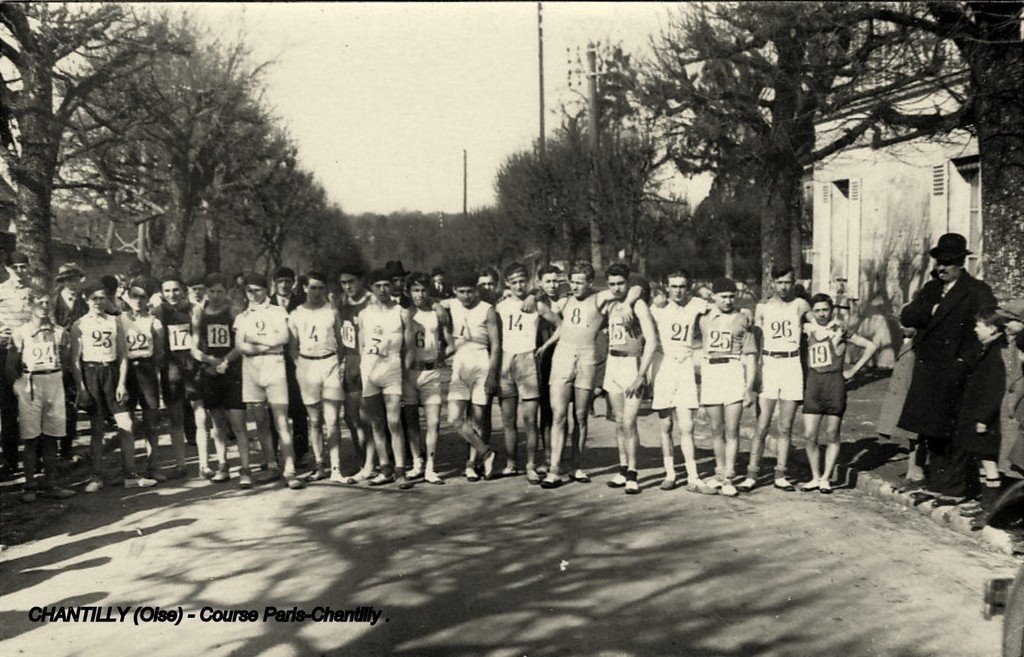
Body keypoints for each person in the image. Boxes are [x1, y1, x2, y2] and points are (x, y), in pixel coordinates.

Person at [899, 233, 996, 503]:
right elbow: (908, 316)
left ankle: (955, 489)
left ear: (961, 262)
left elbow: (989, 330)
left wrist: (964, 362)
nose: (942, 268)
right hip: (929, 371)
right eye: (939, 262)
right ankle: (938, 485)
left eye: (948, 263)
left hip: (957, 373)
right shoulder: (931, 289)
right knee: (931, 430)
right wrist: (931, 310)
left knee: (954, 433)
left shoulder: (977, 290)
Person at [537, 262, 639, 488]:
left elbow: (638, 288)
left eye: (580, 282)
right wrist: (548, 345)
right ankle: (554, 469)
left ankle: (576, 466)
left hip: (587, 359)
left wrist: (630, 304)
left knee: (581, 416)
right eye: (572, 281)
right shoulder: (564, 299)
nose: (574, 286)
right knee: (559, 414)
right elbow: (546, 305)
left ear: (590, 283)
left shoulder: (600, 298)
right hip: (563, 357)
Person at [69, 280, 158, 492]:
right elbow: (74, 361)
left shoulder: (114, 321)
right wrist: (81, 387)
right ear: (87, 300)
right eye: (94, 298)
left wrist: (121, 383)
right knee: (98, 428)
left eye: (102, 298)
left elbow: (123, 356)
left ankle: (130, 474)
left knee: (126, 423)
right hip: (92, 374)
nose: (99, 302)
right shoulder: (79, 325)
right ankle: (97, 476)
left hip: (112, 373)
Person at [741, 265, 811, 493]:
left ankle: (781, 474)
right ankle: (752, 473)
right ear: (772, 282)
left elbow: (816, 322)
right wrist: (746, 315)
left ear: (794, 282)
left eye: (788, 282)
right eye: (780, 282)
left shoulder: (800, 305)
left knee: (785, 427)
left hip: (792, 365)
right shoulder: (762, 307)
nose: (784, 287)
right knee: (762, 425)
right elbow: (754, 332)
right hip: (770, 364)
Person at [648, 269, 717, 494]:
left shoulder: (696, 303)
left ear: (688, 286)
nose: (678, 291)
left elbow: (720, 307)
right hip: (664, 364)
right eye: (673, 286)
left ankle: (693, 477)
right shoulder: (657, 308)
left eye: (682, 286)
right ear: (666, 286)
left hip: (685, 365)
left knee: (687, 425)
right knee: (666, 425)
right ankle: (670, 473)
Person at [800, 293, 877, 493]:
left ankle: (826, 477)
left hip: (834, 385)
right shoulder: (809, 327)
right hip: (813, 384)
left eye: (825, 309)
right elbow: (802, 313)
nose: (821, 314)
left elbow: (870, 346)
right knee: (809, 435)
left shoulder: (840, 329)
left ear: (831, 309)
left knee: (832, 433)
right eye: (817, 310)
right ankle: (815, 476)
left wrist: (853, 370)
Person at [5, 288, 76, 501]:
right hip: (31, 383)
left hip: (53, 381)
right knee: (30, 436)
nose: (44, 307)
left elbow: (64, 358)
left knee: (52, 435)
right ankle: (30, 486)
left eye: (48, 303)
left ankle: (52, 483)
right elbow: (10, 365)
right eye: (40, 303)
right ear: (31, 306)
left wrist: (58, 379)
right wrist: (18, 387)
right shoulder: (21, 332)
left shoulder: (59, 331)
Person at [234, 272, 304, 489]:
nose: (253, 294)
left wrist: (255, 341)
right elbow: (240, 346)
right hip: (252, 370)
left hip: (274, 367)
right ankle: (272, 464)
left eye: (258, 290)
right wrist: (266, 343)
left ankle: (290, 468)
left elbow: (283, 338)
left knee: (281, 420)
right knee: (260, 420)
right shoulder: (242, 316)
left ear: (266, 290)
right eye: (249, 290)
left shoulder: (277, 311)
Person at [496, 263, 560, 483]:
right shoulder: (500, 306)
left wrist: (544, 346)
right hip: (506, 362)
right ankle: (511, 463)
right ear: (507, 284)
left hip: (527, 361)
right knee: (508, 419)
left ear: (528, 281)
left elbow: (561, 325)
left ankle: (531, 464)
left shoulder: (537, 305)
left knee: (530, 420)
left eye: (522, 281)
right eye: (513, 282)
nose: (518, 286)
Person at [191, 273, 254, 487]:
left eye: (219, 291)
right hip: (210, 373)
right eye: (211, 291)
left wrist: (225, 361)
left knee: (238, 423)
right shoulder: (199, 313)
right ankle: (223, 465)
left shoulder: (233, 310)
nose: (215, 295)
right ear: (206, 292)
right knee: (217, 423)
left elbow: (241, 343)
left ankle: (245, 469)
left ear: (225, 291)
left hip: (232, 372)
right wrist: (209, 360)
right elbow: (194, 347)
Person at [953, 306, 1014, 529]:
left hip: (986, 419)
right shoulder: (987, 348)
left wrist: (983, 418)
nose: (975, 329)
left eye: (979, 325)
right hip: (977, 415)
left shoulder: (997, 353)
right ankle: (984, 502)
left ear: (991, 328)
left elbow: (995, 390)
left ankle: (989, 508)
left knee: (989, 463)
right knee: (980, 459)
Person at [697, 277, 758, 497]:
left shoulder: (742, 319)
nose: (728, 300)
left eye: (732, 296)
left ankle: (730, 476)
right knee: (716, 429)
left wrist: (749, 387)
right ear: (714, 297)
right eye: (723, 296)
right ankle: (719, 473)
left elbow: (751, 356)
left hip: (733, 371)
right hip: (711, 372)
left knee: (732, 429)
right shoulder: (704, 318)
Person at [357, 268, 416, 488]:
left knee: (394, 422)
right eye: (377, 286)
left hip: (392, 369)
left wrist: (405, 371)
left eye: (386, 285)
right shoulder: (365, 314)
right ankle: (385, 469)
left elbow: (409, 349)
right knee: (377, 423)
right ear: (371, 288)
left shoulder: (401, 312)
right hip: (370, 369)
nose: (382, 290)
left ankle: (400, 470)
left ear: (392, 286)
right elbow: (362, 345)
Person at [601, 263, 657, 495]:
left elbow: (652, 342)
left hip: (632, 364)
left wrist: (641, 375)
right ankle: (623, 468)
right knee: (619, 420)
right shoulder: (609, 303)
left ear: (628, 283)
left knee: (629, 422)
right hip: (613, 363)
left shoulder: (639, 304)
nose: (616, 288)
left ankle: (633, 472)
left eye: (620, 283)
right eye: (612, 284)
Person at [288, 270, 345, 483]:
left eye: (321, 287)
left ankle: (336, 468)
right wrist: (300, 365)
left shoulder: (332, 311)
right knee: (314, 420)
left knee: (332, 420)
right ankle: (320, 464)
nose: (317, 291)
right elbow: (292, 347)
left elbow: (340, 341)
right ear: (304, 288)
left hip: (329, 363)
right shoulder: (296, 314)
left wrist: (338, 364)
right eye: (313, 287)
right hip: (307, 366)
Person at [445, 268, 499, 480]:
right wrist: (439, 310)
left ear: (476, 290)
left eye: (470, 291)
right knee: (454, 417)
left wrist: (492, 374)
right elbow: (432, 302)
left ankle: (472, 463)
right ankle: (487, 453)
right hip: (460, 361)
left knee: (478, 419)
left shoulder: (487, 309)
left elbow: (495, 346)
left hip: (481, 361)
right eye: (461, 292)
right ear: (454, 291)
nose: (466, 296)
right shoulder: (452, 304)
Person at [121, 278, 170, 482]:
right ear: (128, 298)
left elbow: (159, 351)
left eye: (143, 297)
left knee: (151, 421)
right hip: (126, 371)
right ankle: (129, 470)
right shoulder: (120, 319)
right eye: (135, 296)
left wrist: (151, 368)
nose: (139, 300)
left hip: (146, 370)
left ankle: (153, 467)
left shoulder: (153, 321)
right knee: (126, 421)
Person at [403, 272, 450, 484]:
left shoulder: (436, 313)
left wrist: (441, 356)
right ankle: (416, 462)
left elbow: (451, 341)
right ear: (408, 292)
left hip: (431, 371)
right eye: (415, 290)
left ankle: (431, 466)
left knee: (433, 421)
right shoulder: (404, 313)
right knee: (412, 421)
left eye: (423, 290)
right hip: (410, 372)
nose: (419, 294)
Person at [151, 273, 196, 478]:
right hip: (171, 368)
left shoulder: (194, 310)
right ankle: (181, 464)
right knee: (176, 416)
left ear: (184, 290)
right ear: (161, 293)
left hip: (193, 366)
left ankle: (205, 463)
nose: (172, 294)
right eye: (167, 290)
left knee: (201, 414)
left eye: (176, 289)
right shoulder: (158, 312)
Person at [337, 267, 376, 482]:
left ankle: (371, 463)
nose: (348, 286)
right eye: (343, 282)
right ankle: (364, 460)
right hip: (349, 362)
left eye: (351, 281)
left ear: (361, 280)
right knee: (350, 417)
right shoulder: (341, 302)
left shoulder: (371, 301)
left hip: (367, 361)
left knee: (365, 416)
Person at [269, 266, 309, 466]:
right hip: (272, 362)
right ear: (274, 283)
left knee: (298, 408)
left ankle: (299, 453)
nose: (284, 285)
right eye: (280, 281)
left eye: (287, 281)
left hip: (296, 362)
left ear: (293, 283)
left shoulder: (302, 303)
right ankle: (274, 454)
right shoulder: (266, 304)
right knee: (273, 410)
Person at [51, 262, 88, 460]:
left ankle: (66, 449)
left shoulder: (84, 301)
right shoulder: (53, 301)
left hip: (80, 353)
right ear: (63, 282)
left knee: (72, 400)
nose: (72, 283)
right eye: (68, 279)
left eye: (75, 279)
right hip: (58, 355)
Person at [0, 249, 32, 476]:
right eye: (15, 267)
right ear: (7, 269)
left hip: (30, 353)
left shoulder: (35, 290)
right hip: (5, 353)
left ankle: (35, 458)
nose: (20, 271)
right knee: (8, 407)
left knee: (32, 404)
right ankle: (10, 460)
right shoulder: (0, 292)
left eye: (24, 266)